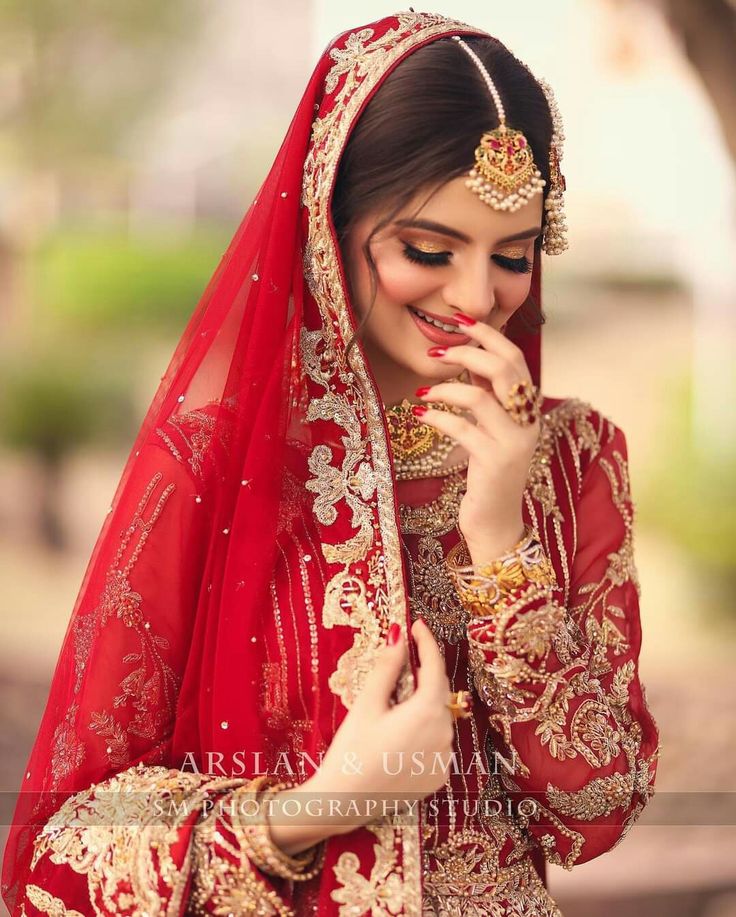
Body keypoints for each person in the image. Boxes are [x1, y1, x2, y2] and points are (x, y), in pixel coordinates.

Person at [1, 11, 660, 916]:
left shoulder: (576, 460)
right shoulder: (210, 470)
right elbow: (58, 853)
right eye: (428, 251)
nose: (476, 298)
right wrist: (319, 809)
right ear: (328, 222)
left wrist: (501, 542)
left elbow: (596, 812)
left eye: (512, 256)